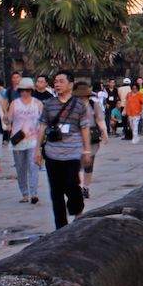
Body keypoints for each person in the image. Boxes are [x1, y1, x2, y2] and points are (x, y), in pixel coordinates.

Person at [35, 69, 92, 229]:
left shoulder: (79, 105)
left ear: (70, 84)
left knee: (72, 185)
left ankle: (77, 211)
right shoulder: (49, 104)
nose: (57, 84)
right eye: (56, 82)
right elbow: (42, 126)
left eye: (61, 81)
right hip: (52, 153)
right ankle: (61, 226)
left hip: (72, 153)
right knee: (56, 192)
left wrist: (87, 150)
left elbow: (85, 128)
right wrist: (37, 149)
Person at [7, 77, 43, 203]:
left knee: (33, 166)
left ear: (31, 91)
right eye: (22, 90)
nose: (25, 93)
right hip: (18, 140)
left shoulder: (37, 103)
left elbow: (43, 121)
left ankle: (34, 193)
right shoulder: (14, 104)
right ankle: (24, 193)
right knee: (21, 168)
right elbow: (8, 119)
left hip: (33, 139)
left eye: (27, 90)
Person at [75, 79, 105, 199]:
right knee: (77, 163)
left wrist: (104, 131)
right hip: (76, 136)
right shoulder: (73, 105)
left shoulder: (93, 104)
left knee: (89, 163)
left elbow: (100, 118)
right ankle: (79, 186)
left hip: (91, 136)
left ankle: (85, 186)